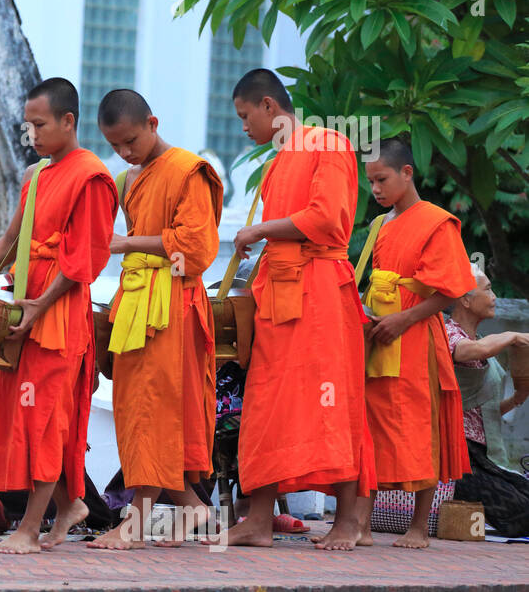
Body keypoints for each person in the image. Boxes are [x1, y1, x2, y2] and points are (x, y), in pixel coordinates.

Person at [0, 78, 117, 553]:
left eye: (40, 124)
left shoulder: (92, 177)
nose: (32, 134)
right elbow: (10, 241)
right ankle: (68, 506)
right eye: (28, 125)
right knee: (21, 413)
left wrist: (41, 306)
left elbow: (85, 257)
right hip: (22, 306)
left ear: (68, 121)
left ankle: (29, 528)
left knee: (45, 415)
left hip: (57, 312)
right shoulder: (40, 175)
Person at [213, 68, 374, 551]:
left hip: (321, 291)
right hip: (278, 295)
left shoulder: (329, 142)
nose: (244, 127)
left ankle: (348, 521)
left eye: (245, 116)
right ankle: (259, 519)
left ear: (268, 106)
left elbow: (327, 220)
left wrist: (259, 232)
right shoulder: (277, 163)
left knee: (332, 402)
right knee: (265, 407)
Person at [90, 89, 221, 549]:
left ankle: (136, 521)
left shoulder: (189, 171)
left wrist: (130, 245)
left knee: (158, 408)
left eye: (131, 141)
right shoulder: (130, 178)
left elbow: (198, 249)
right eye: (115, 146)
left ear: (153, 122)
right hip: (135, 301)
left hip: (174, 304)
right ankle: (193, 506)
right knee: (134, 406)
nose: (125, 153)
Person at [359, 139, 476, 548]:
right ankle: (362, 523)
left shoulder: (436, 222)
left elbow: (450, 292)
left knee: (421, 422)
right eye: (370, 181)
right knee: (372, 422)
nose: (375, 189)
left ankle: (418, 526)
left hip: (416, 337)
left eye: (382, 179)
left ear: (407, 173)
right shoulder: (380, 225)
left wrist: (403, 320)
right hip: (380, 336)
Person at [446, 272, 529, 480]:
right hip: (460, 454)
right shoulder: (448, 333)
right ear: (465, 300)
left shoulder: (481, 340)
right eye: (487, 289)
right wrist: (512, 336)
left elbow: (485, 413)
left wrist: (517, 399)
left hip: (486, 455)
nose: (494, 297)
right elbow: (468, 351)